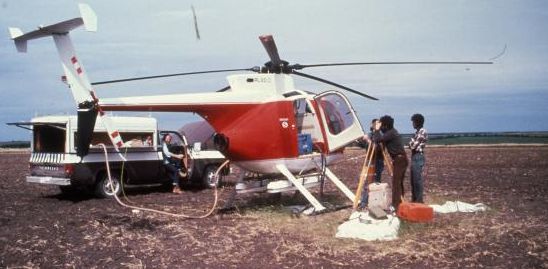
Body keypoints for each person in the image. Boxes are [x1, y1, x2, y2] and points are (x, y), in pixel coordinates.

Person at [372, 115, 408, 211]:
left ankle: (396, 206)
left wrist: (376, 130)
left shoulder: (390, 133)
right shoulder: (391, 132)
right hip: (400, 159)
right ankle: (399, 203)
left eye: (382, 126)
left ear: (386, 126)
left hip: (399, 160)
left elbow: (377, 139)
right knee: (398, 183)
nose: (381, 128)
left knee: (396, 183)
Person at [358, 119, 385, 209]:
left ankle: (375, 203)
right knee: (366, 182)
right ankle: (364, 203)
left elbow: (376, 149)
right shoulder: (370, 135)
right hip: (369, 160)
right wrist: (360, 140)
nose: (377, 125)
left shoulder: (380, 136)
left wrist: (368, 141)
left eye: (378, 124)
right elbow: (362, 145)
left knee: (376, 182)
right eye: (375, 124)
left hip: (377, 161)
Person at [409, 113, 428, 203]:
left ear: (417, 122)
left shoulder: (422, 131)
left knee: (417, 180)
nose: (412, 124)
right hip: (414, 156)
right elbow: (411, 144)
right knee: (413, 179)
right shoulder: (417, 132)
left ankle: (419, 200)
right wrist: (412, 142)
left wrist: (412, 142)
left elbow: (413, 146)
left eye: (413, 122)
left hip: (418, 156)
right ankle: (415, 199)